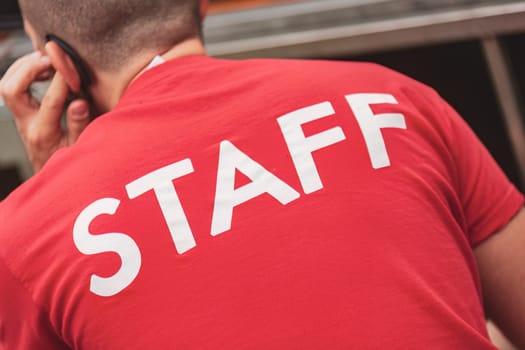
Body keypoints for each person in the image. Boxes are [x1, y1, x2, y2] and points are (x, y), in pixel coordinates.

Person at [0, 0, 523, 348]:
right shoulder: (391, 98)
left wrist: (56, 191)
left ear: (61, 66)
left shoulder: (24, 238)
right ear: (201, 4)